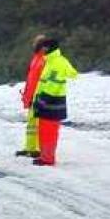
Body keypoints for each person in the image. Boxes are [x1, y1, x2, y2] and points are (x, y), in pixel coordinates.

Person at [32, 38, 78, 166]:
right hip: (51, 101)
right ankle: (45, 156)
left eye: (44, 47)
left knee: (48, 132)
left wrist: (41, 101)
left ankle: (47, 159)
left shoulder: (55, 63)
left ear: (48, 48)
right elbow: (72, 73)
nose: (42, 50)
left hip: (51, 102)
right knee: (45, 130)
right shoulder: (56, 60)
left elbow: (52, 85)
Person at [17, 34, 47, 159]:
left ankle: (39, 149)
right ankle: (30, 148)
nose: (35, 46)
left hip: (40, 95)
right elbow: (30, 79)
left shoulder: (45, 60)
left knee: (39, 122)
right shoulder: (35, 59)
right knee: (31, 123)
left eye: (38, 44)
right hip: (31, 95)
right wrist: (27, 96)